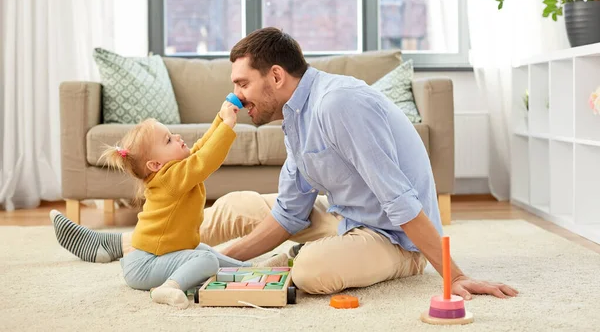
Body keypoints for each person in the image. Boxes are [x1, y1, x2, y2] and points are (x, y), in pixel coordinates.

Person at [51, 27, 518, 300]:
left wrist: (455, 277)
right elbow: (290, 213)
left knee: (309, 272)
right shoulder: (294, 116)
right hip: (344, 218)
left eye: (242, 83)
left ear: (275, 76)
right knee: (234, 206)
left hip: (393, 237)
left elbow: (402, 203)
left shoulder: (338, 105)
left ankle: (174, 258)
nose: (235, 96)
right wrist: (216, 260)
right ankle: (129, 246)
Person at [51, 100, 288, 310]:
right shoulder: (170, 178)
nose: (177, 138)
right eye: (168, 140)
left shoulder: (173, 171)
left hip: (154, 257)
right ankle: (169, 287)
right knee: (206, 260)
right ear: (155, 165)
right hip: (144, 266)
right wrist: (227, 126)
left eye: (172, 134)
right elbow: (205, 160)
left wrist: (219, 119)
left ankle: (250, 268)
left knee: (204, 251)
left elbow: (199, 150)